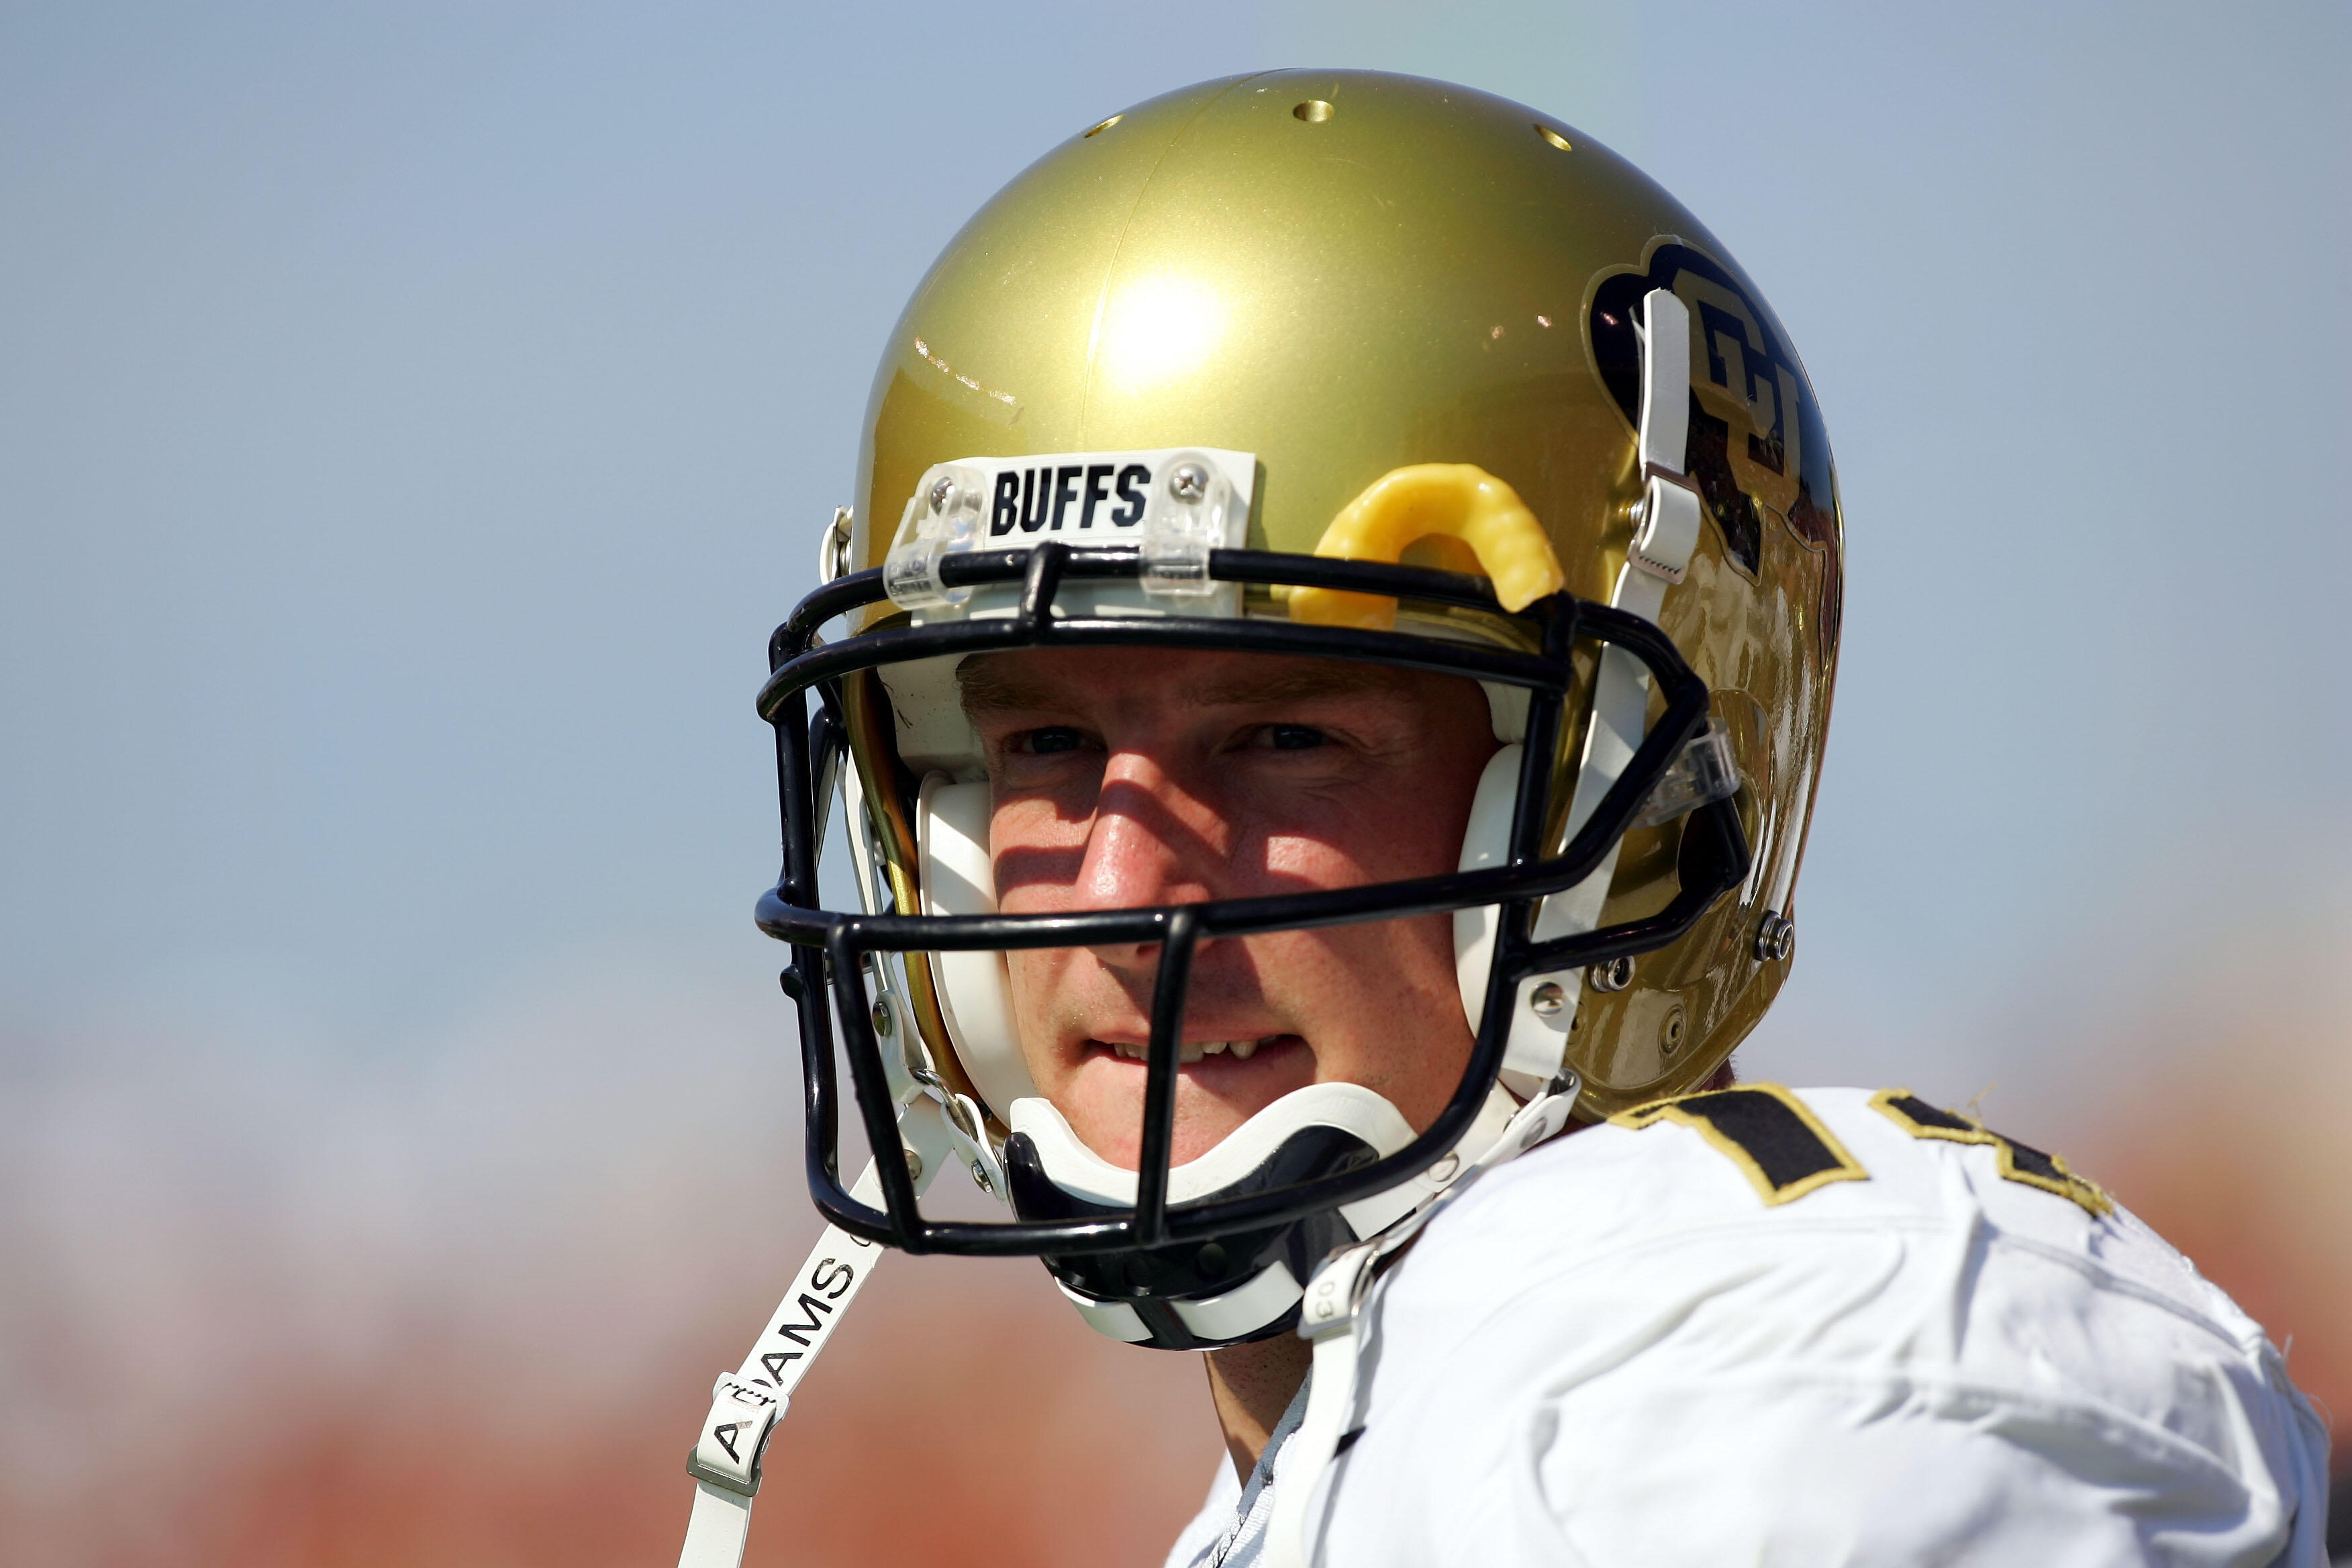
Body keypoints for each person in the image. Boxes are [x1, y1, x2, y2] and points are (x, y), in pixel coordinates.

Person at [681, 70, 2333, 1567]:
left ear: (1626, 802)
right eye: (1038, 740)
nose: (1118, 886)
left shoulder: (1756, 1357)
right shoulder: (1349, 1446)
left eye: (1282, 734)